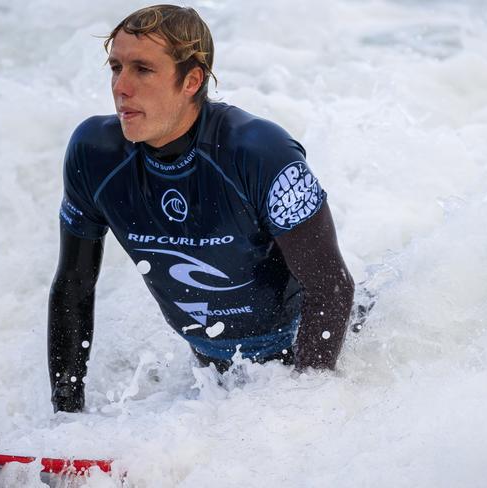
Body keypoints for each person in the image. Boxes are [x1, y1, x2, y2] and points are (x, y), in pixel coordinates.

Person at [48, 5, 355, 413]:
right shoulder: (95, 155)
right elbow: (73, 287)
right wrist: (66, 422)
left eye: (142, 69)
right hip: (211, 372)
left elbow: (331, 286)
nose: (121, 86)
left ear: (191, 80)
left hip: (311, 355)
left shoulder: (259, 153)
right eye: (116, 67)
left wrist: (305, 408)